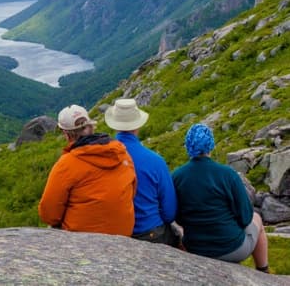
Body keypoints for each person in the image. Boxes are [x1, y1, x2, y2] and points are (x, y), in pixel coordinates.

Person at [172, 123, 270, 273]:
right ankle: (263, 271)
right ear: (211, 146)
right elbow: (245, 216)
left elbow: (177, 218)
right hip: (231, 248)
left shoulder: (177, 176)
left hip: (195, 247)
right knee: (257, 218)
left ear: (188, 146)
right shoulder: (227, 174)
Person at [38, 104, 136, 235]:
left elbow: (49, 214)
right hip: (123, 234)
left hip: (83, 241)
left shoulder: (67, 164)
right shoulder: (120, 152)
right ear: (91, 126)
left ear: (66, 134)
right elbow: (132, 191)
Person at [104, 98, 179, 245]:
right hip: (150, 233)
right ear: (138, 125)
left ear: (115, 125)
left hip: (112, 233)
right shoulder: (155, 161)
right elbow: (169, 213)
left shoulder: (100, 158)